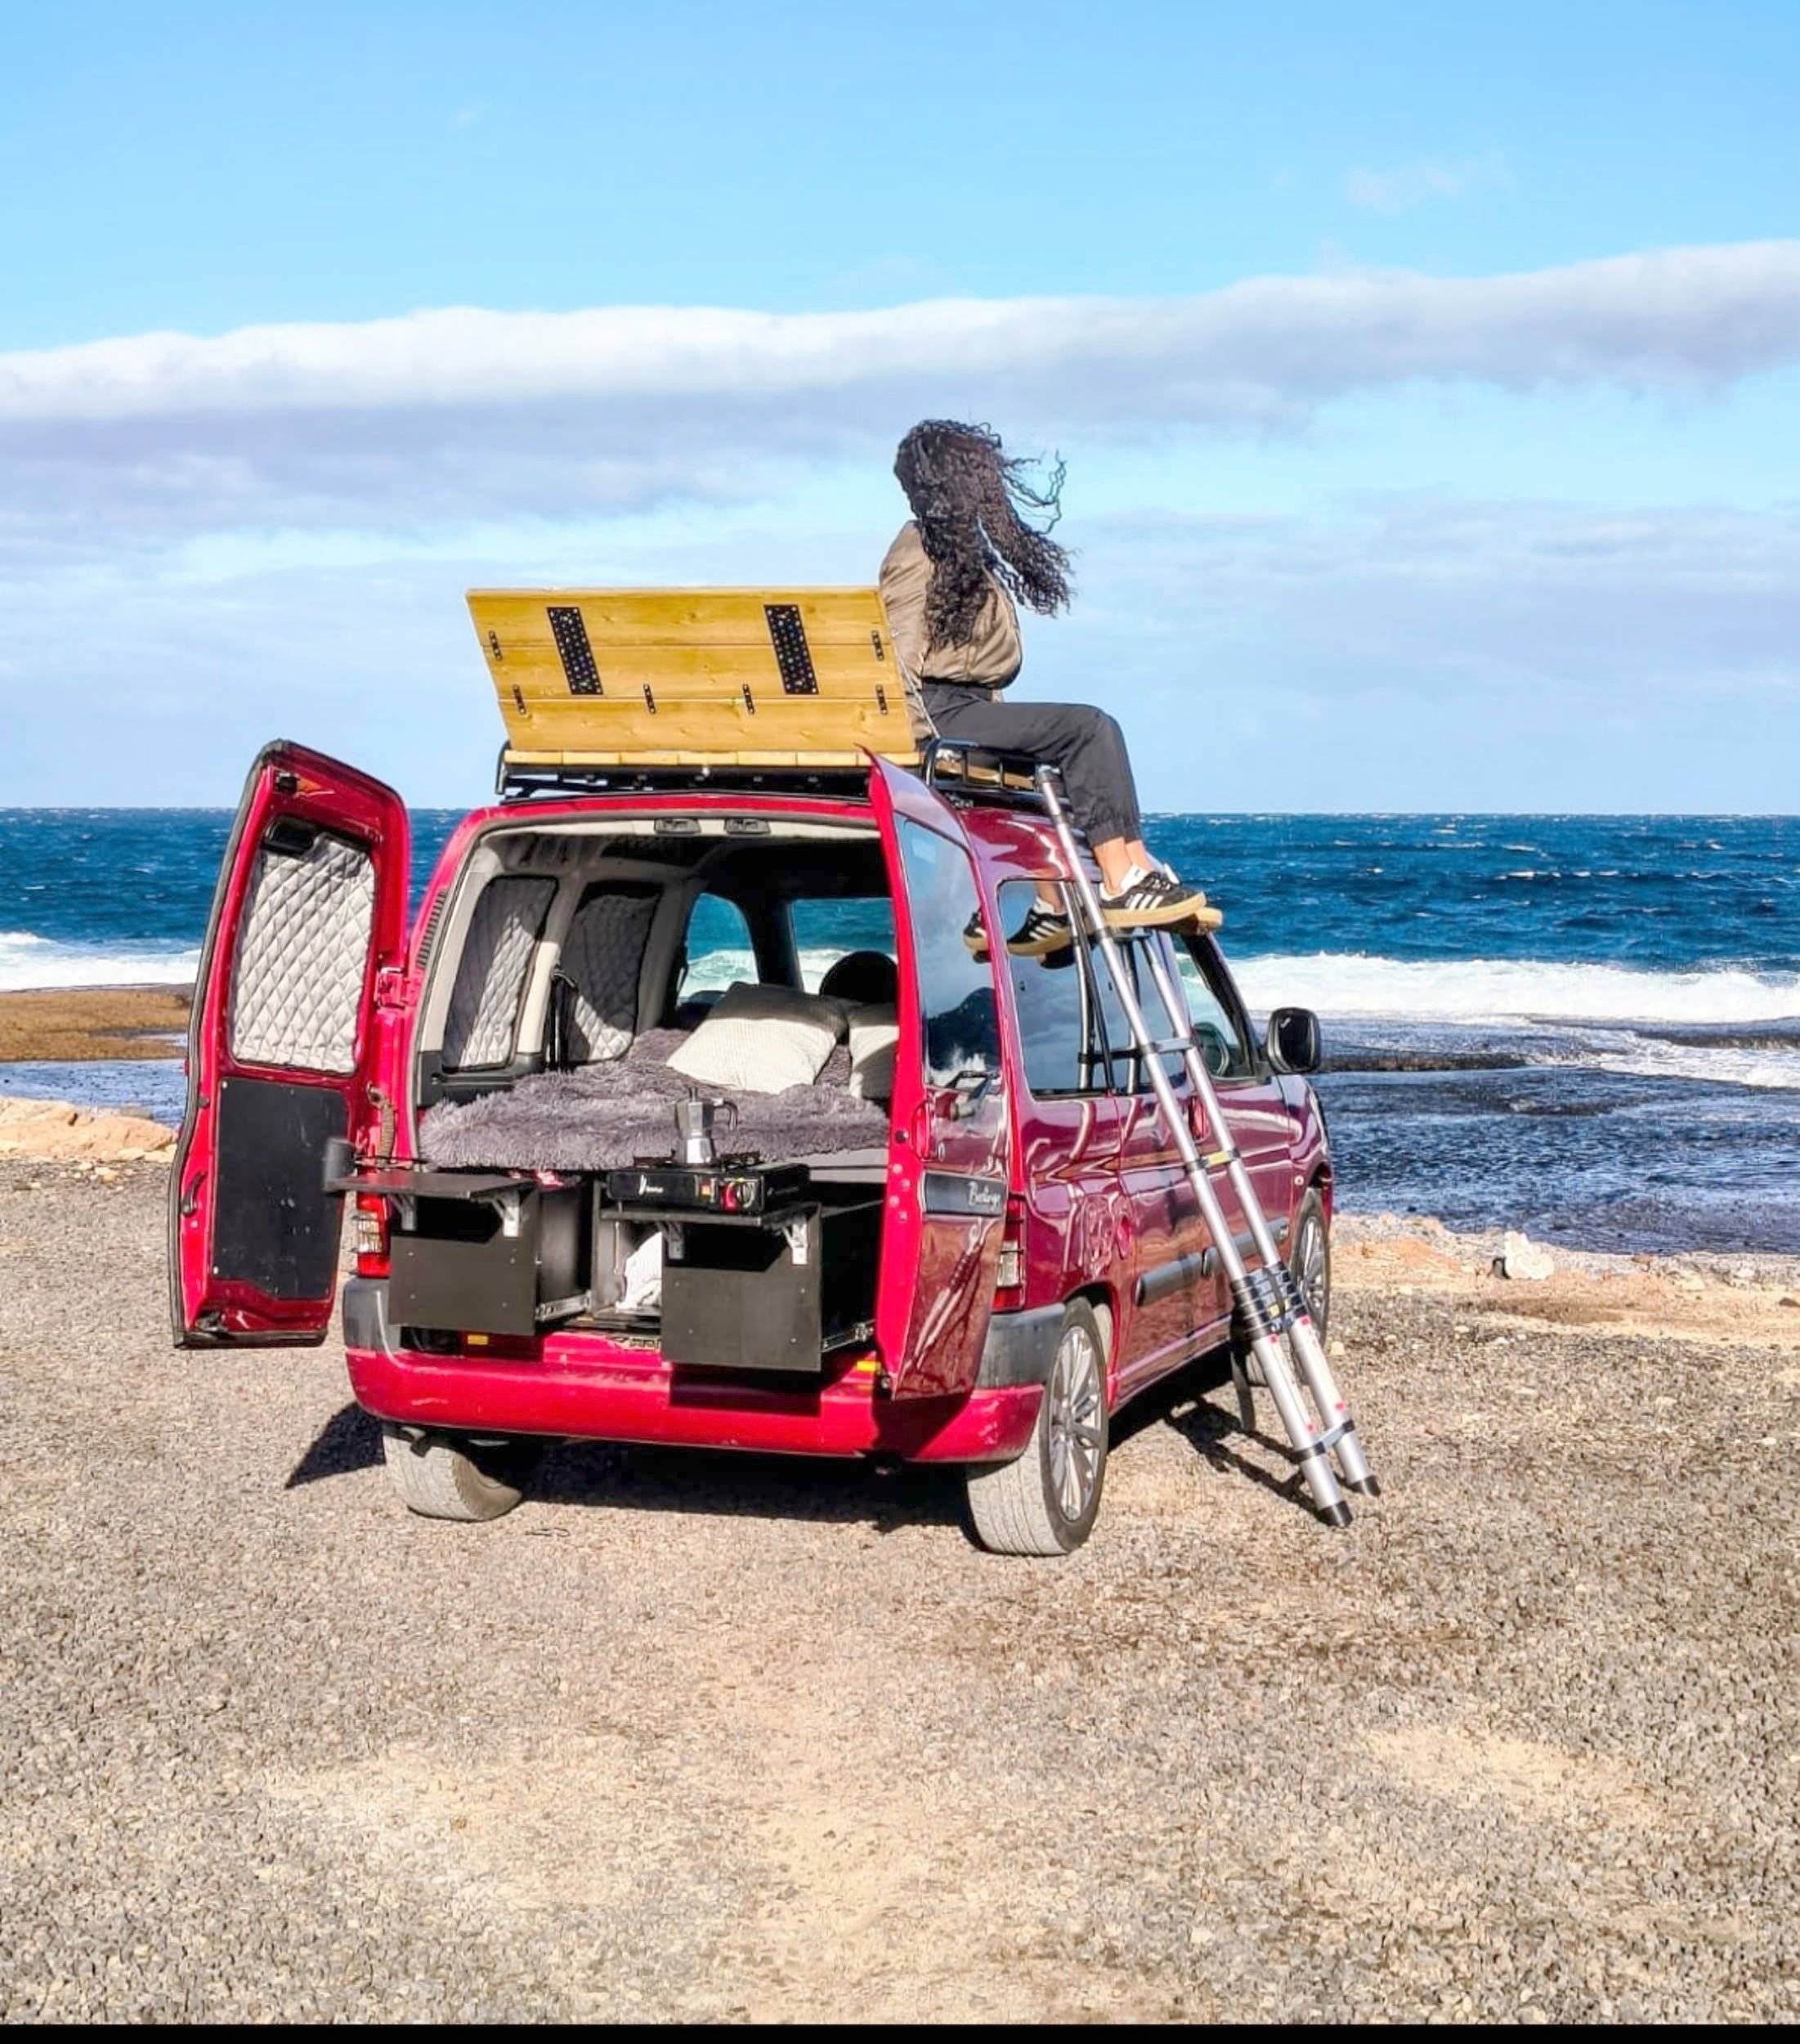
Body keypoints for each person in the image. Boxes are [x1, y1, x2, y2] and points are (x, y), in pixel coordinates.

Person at [879, 419, 1210, 957]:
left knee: (1070, 749)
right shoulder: (917, 547)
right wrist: (919, 748)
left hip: (961, 708)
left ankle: (1062, 898)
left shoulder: (955, 545)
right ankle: (1123, 880)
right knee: (1087, 729)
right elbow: (897, 652)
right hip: (936, 716)